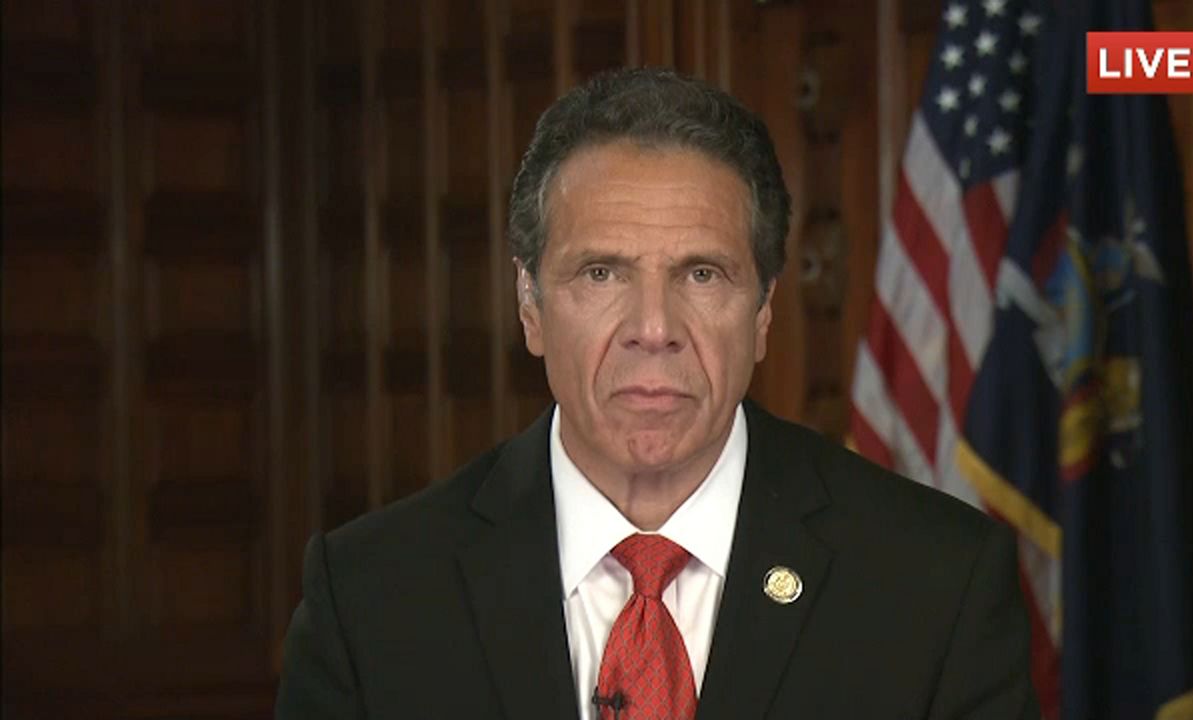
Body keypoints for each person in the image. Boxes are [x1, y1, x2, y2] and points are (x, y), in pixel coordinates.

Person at [275, 67, 1038, 720]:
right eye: (600, 273)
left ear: (764, 310)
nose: (652, 328)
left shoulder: (937, 588)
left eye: (701, 274)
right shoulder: (372, 598)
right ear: (530, 304)